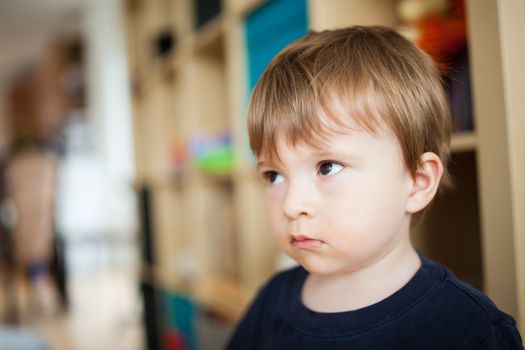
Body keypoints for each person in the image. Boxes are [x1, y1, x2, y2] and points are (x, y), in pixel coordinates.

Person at [226, 26, 523, 349]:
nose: (291, 205)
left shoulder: (470, 329)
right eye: (274, 175)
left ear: (417, 183)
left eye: (327, 167)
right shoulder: (273, 300)